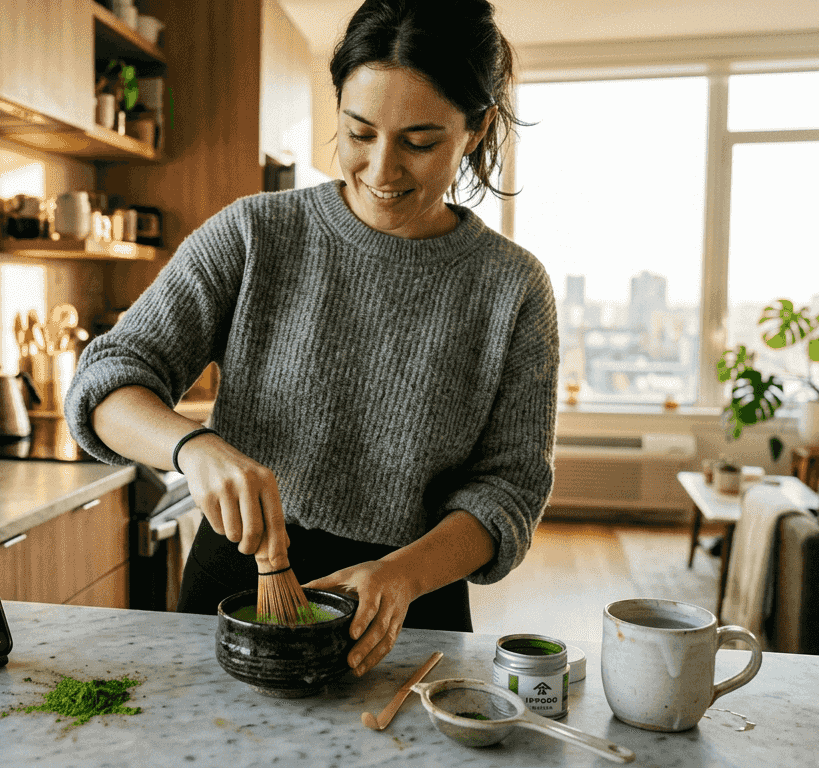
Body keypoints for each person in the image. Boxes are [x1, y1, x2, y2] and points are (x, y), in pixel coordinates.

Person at [65, 0, 558, 677]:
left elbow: (510, 489)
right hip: (236, 585)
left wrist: (404, 576)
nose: (383, 171)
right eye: (359, 132)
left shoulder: (513, 288)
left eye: (420, 142)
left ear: (475, 129)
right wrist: (193, 447)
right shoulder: (254, 233)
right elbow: (106, 382)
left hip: (410, 602)